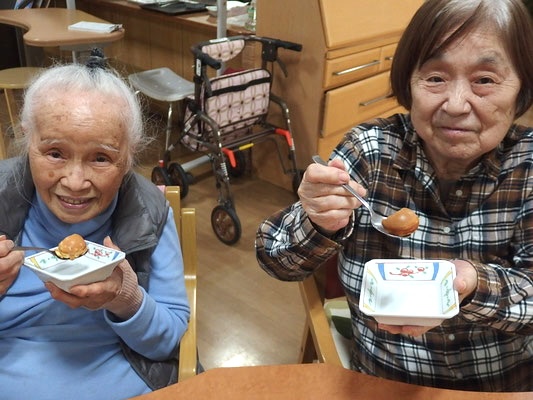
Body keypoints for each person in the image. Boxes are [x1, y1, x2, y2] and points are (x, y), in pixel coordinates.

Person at [256, 0, 533, 392]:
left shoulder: (528, 167)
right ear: (409, 82)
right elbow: (275, 259)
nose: (455, 104)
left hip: (503, 385)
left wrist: (472, 284)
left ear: (522, 88)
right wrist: (317, 220)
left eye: (484, 80)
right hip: (385, 380)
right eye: (435, 77)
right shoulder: (369, 153)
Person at [0, 57, 190, 399]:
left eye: (100, 158)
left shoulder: (148, 211)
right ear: (28, 141)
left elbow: (169, 342)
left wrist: (125, 298)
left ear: (129, 156)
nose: (74, 182)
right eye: (55, 153)